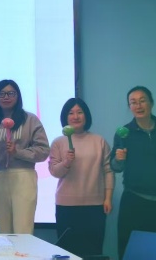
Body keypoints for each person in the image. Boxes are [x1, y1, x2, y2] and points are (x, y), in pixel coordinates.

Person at [111, 86, 156, 258]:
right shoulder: (124, 133)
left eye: (142, 101)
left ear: (151, 103)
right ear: (129, 107)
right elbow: (115, 167)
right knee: (131, 253)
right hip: (134, 202)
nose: (138, 106)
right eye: (133, 102)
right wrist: (119, 159)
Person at [48, 98, 113, 258]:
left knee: (93, 251)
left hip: (95, 206)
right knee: (67, 253)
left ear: (86, 115)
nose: (75, 116)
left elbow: (108, 171)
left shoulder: (99, 141)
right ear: (65, 117)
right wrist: (66, 162)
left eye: (79, 112)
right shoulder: (58, 142)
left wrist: (108, 198)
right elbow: (54, 171)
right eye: (71, 113)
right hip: (66, 206)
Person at [0, 79, 49, 234]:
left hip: (23, 176)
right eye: (1, 94)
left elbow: (43, 150)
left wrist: (18, 152)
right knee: (4, 231)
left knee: (23, 229)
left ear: (18, 96)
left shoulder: (30, 120)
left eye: (11, 93)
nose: (6, 97)